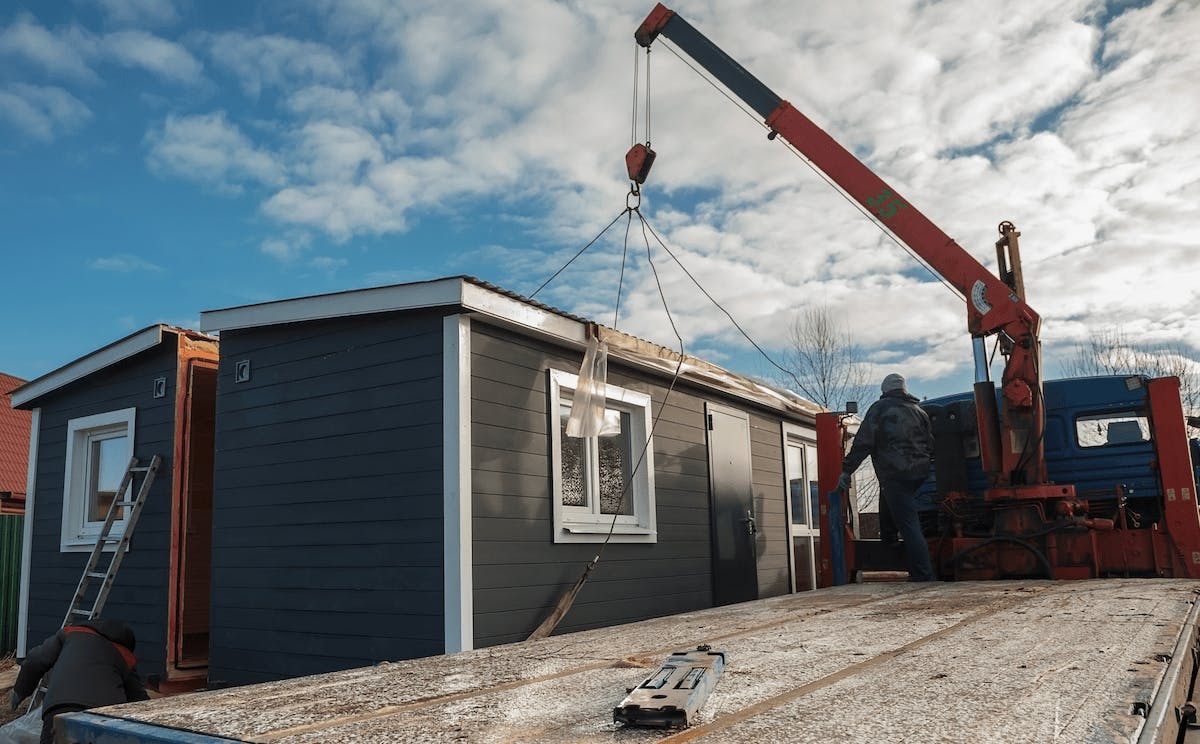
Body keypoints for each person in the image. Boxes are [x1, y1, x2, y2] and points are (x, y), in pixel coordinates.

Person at [836, 373, 936, 582]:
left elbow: (863, 442)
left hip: (894, 472)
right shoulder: (919, 412)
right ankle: (888, 538)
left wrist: (847, 470)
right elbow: (931, 445)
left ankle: (924, 575)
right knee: (890, 497)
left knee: (908, 523)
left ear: (884, 391)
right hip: (918, 473)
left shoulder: (881, 409)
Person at [10, 618, 149, 744]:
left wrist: (20, 691)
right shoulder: (125, 655)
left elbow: (34, 661)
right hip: (103, 718)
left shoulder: (71, 633)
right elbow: (139, 700)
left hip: (60, 709)